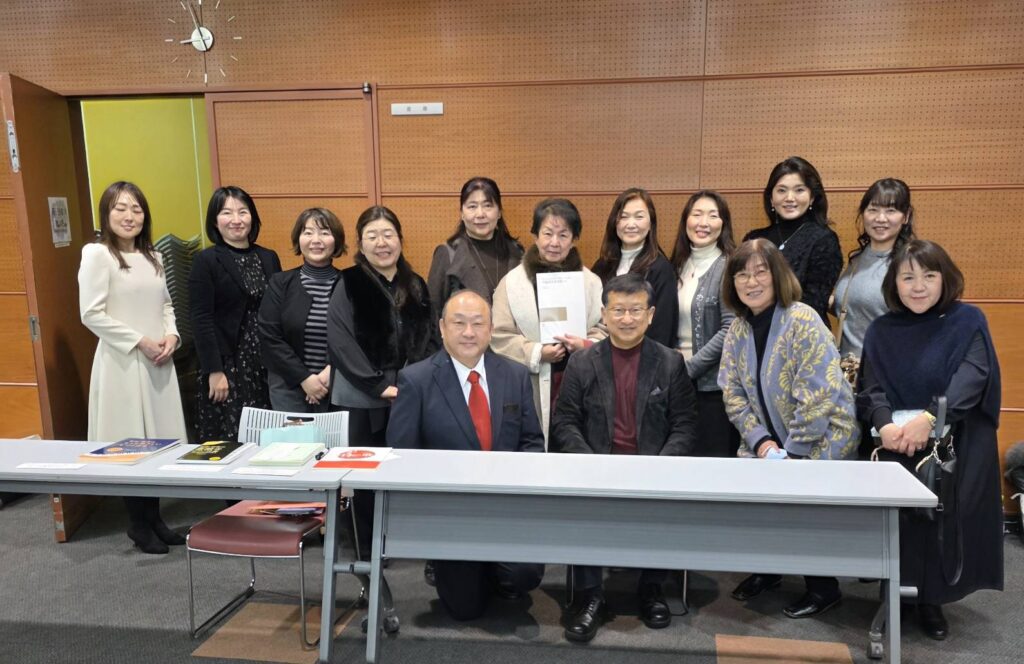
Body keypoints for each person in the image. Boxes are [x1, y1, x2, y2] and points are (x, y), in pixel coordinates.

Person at [858, 240, 1002, 641]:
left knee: (940, 520)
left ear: (945, 278)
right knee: (901, 523)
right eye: (907, 277)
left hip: (953, 439)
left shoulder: (967, 320)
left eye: (929, 276)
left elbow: (973, 376)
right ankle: (896, 596)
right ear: (894, 283)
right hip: (895, 442)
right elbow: (870, 387)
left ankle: (931, 602)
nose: (918, 286)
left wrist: (929, 420)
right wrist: (885, 425)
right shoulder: (881, 329)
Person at [551, 273, 698, 642]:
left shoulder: (670, 362)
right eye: (618, 310)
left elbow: (684, 425)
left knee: (665, 504)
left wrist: (659, 467)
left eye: (635, 310)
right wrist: (591, 464)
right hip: (596, 468)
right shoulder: (582, 362)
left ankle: (651, 589)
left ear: (650, 315)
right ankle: (591, 597)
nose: (627, 318)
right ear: (604, 314)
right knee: (583, 506)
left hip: (653, 469)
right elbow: (564, 421)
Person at [718, 239, 858, 618]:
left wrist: (793, 451)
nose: (751, 282)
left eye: (760, 272)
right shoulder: (737, 329)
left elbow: (818, 394)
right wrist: (761, 442)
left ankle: (823, 587)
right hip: (770, 440)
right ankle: (768, 570)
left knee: (807, 510)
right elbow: (732, 393)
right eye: (742, 275)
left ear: (777, 275)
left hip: (820, 436)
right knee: (757, 502)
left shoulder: (803, 319)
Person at [387, 290, 546, 620]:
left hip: (505, 505)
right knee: (465, 609)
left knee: (525, 575)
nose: (469, 333)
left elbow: (531, 442)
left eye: (478, 323)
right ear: (442, 327)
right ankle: (448, 564)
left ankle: (496, 569)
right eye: (459, 323)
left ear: (491, 329)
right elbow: (404, 456)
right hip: (451, 512)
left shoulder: (514, 375)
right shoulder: (416, 380)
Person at [78, 181, 188, 554]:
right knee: (129, 443)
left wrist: (171, 336)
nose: (129, 216)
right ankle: (138, 524)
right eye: (120, 208)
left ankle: (155, 519)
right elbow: (91, 313)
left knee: (158, 441)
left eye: (136, 209)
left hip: (158, 360)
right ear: (106, 214)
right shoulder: (97, 254)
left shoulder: (153, 256)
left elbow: (166, 305)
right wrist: (140, 340)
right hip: (122, 362)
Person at [327, 205, 437, 557]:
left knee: (404, 468)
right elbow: (340, 341)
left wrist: (414, 382)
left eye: (388, 234)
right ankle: (366, 548)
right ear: (360, 243)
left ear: (400, 239)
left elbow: (430, 339)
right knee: (363, 476)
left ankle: (402, 539)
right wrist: (378, 385)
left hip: (407, 393)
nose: (382, 243)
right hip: (361, 395)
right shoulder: (348, 282)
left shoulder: (415, 284)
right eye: (372, 236)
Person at [491, 198, 606, 442]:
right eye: (548, 233)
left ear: (574, 239)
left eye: (563, 235)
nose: (555, 242)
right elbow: (499, 336)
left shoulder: (591, 283)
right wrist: (537, 352)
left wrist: (585, 345)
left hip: (579, 381)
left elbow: (604, 328)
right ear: (535, 235)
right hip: (530, 383)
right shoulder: (511, 284)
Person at [189, 186, 281, 442]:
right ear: (215, 221)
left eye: (243, 212)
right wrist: (214, 370)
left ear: (252, 217)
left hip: (265, 360)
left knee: (269, 431)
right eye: (227, 213)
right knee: (231, 434)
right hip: (229, 362)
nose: (236, 219)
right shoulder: (206, 260)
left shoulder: (268, 257)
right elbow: (200, 318)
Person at [669, 190, 739, 457]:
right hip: (677, 385)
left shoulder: (729, 266)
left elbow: (730, 329)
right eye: (697, 214)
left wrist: (689, 368)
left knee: (710, 463)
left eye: (713, 216)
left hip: (712, 389)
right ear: (685, 220)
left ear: (723, 223)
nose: (703, 223)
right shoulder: (677, 264)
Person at [258, 208, 346, 412]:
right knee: (295, 435)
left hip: (338, 383)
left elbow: (358, 337)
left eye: (324, 233)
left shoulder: (350, 285)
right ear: (299, 239)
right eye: (308, 232)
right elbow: (270, 336)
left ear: (336, 240)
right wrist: (304, 378)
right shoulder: (280, 283)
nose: (316, 240)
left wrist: (331, 371)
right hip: (288, 386)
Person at [744, 156, 842, 323]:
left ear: (812, 197)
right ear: (771, 198)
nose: (789, 198)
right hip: (754, 330)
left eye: (799, 190)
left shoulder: (824, 240)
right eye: (782, 190)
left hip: (802, 332)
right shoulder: (753, 239)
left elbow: (814, 304)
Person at [832, 178, 916, 359]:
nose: (880, 218)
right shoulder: (857, 259)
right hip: (848, 369)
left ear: (906, 216)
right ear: (863, 214)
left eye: (891, 210)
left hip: (886, 368)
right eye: (873, 210)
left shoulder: (910, 264)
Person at [590, 188, 677, 347]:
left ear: (651, 223)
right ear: (614, 222)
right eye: (623, 217)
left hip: (644, 357)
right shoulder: (602, 266)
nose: (631, 224)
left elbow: (662, 330)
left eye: (639, 217)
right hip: (600, 354)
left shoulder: (661, 269)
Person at [426, 177, 524, 314]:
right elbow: (433, 310)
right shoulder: (447, 253)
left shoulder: (516, 251)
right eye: (472, 206)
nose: (480, 214)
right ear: (462, 213)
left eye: (487, 206)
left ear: (499, 212)